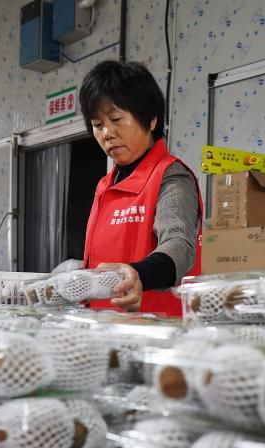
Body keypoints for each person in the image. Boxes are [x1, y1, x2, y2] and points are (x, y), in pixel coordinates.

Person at [79, 60, 202, 313]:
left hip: (154, 327)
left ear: (151, 119)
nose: (107, 133)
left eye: (116, 119)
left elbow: (179, 244)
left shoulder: (172, 176)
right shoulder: (104, 185)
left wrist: (139, 274)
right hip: (102, 325)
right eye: (98, 125)